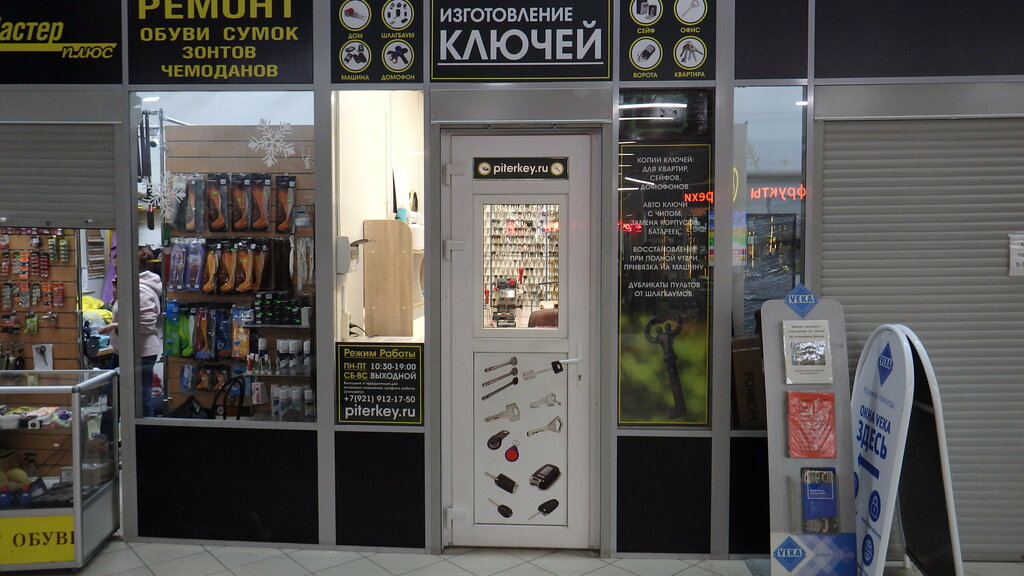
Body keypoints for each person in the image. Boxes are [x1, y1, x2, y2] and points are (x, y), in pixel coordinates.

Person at [98, 247, 164, 416]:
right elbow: (128, 312)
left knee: (139, 401)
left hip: (140, 352)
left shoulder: (141, 289)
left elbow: (146, 324)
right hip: (125, 350)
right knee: (112, 395)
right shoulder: (131, 286)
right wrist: (116, 295)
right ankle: (112, 432)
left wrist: (114, 326)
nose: (115, 271)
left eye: (118, 267)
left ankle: (144, 433)